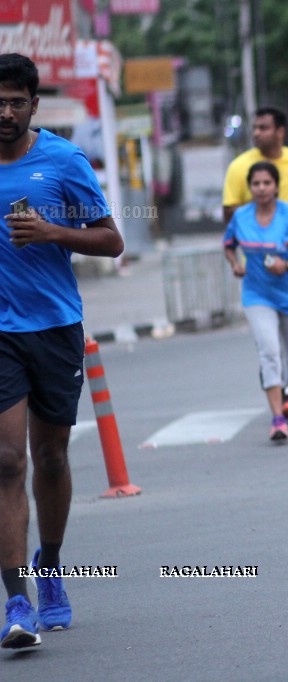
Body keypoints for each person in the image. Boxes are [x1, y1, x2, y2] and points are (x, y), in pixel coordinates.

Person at [0, 53, 124, 650]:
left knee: (49, 458)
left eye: (15, 102)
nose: (4, 112)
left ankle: (50, 568)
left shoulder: (63, 161)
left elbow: (111, 239)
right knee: (6, 461)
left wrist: (52, 232)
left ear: (33, 105)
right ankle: (17, 601)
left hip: (53, 326)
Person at [222, 106, 288, 423]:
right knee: (269, 345)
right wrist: (240, 256)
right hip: (256, 269)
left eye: (263, 127)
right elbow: (230, 219)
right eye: (254, 127)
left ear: (280, 131)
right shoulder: (240, 167)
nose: (256, 133)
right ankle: (279, 409)